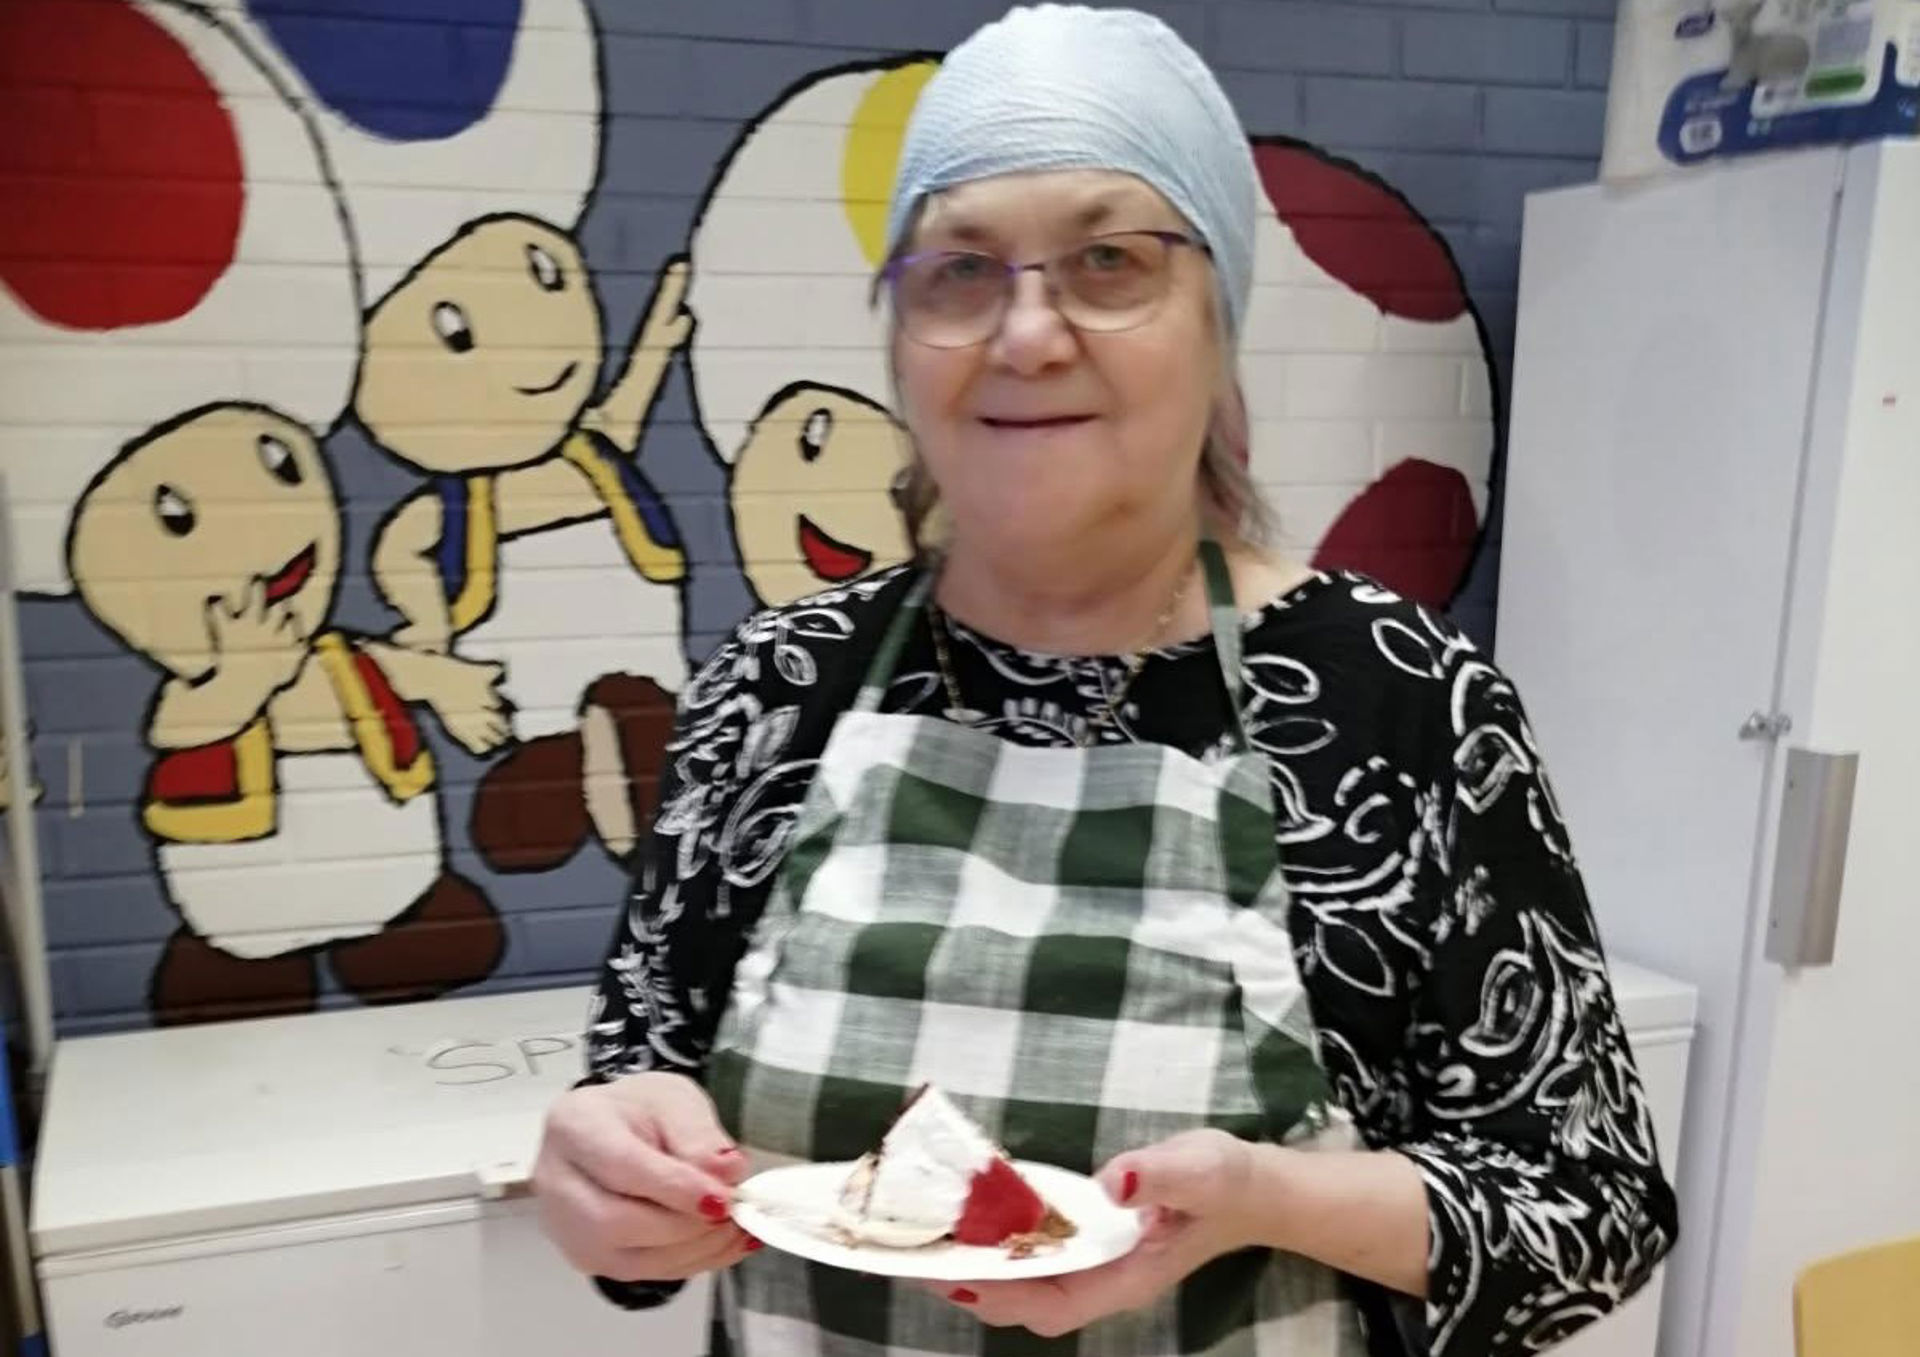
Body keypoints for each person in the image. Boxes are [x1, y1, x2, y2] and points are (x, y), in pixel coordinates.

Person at [532, 7, 1678, 1355]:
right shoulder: (774, 690)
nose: (1027, 332)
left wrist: (1273, 1199)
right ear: (902, 333)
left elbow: (1588, 1208)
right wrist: (608, 1181)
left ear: (1220, 319)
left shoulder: (1398, 700)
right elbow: (641, 1125)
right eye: (959, 269)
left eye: (1110, 260)